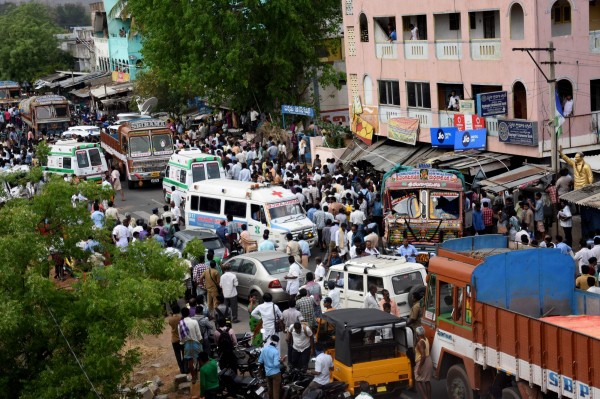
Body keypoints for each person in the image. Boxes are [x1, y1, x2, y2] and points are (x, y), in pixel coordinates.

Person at [178, 307, 202, 383]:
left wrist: (184, 342)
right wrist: (200, 341)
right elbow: (199, 335)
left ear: (182, 314)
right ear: (189, 313)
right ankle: (201, 376)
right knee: (200, 359)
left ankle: (194, 378)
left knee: (190, 361)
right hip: (196, 343)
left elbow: (181, 338)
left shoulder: (180, 324)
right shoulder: (194, 322)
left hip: (187, 344)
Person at [258, 335, 285, 399]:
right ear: (277, 342)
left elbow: (260, 361)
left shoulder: (264, 349)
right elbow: (276, 364)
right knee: (276, 391)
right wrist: (281, 361)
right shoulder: (275, 351)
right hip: (275, 374)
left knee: (270, 390)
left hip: (267, 373)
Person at [414, 326, 432, 399]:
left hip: (422, 361)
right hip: (429, 360)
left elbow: (423, 356)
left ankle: (425, 397)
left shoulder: (420, 343)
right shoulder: (426, 339)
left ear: (417, 334)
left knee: (418, 380)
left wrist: (419, 368)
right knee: (427, 381)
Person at [168, 304, 185, 374]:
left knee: (177, 355)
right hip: (182, 338)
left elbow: (171, 325)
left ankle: (181, 369)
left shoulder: (171, 319)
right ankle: (185, 367)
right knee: (184, 354)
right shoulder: (181, 317)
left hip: (174, 339)